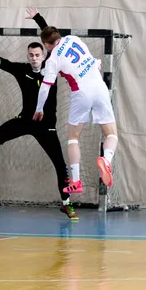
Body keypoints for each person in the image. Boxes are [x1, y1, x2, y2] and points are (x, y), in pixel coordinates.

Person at [0, 8, 77, 220]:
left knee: (61, 166)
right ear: (27, 56)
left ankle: (66, 204)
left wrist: (39, 19)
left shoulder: (52, 65)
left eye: (37, 55)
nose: (34, 58)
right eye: (30, 55)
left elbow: (52, 38)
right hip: (26, 121)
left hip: (47, 126)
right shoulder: (21, 70)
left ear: (44, 55)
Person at [33, 26, 118, 196]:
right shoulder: (73, 39)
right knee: (111, 134)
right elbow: (92, 61)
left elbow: (45, 88)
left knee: (73, 138)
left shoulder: (52, 59)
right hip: (100, 87)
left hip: (81, 93)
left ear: (46, 45)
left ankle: (76, 181)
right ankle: (107, 160)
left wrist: (39, 108)